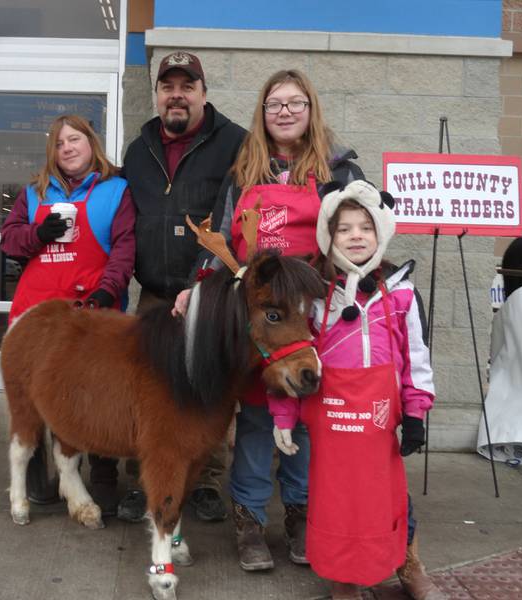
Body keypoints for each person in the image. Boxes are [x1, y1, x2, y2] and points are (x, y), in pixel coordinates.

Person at [191, 69, 364, 572]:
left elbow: (359, 239)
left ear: (311, 110)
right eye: (274, 104)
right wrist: (192, 290)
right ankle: (248, 523)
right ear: (261, 115)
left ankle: (300, 516)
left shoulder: (340, 172)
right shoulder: (244, 172)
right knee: (255, 421)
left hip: (313, 315)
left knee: (305, 423)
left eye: (294, 103)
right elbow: (220, 238)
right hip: (258, 317)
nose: (284, 111)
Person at [87, 50, 247, 523]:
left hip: (213, 292)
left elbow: (230, 219)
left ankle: (206, 481)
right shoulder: (139, 150)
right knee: (149, 392)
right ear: (157, 94)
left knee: (210, 389)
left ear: (203, 93)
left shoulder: (235, 143)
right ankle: (147, 479)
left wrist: (202, 279)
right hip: (155, 293)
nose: (176, 95)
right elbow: (119, 213)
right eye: (167, 87)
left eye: (187, 86)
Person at [270, 179, 442, 600]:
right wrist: (284, 417)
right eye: (345, 228)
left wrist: (417, 414)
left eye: (366, 227)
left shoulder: (400, 295)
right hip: (331, 427)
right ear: (330, 237)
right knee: (335, 506)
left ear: (381, 231)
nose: (356, 236)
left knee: (390, 501)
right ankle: (343, 579)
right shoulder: (312, 299)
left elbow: (416, 359)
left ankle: (407, 563)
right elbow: (289, 359)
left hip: (379, 425)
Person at [0, 114, 135, 506]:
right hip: (36, 314)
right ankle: (40, 480)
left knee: (95, 399)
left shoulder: (116, 191)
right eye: (59, 144)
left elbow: (124, 250)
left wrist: (105, 295)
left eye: (74, 139)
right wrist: (37, 234)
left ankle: (100, 479)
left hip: (91, 314)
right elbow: (9, 241)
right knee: (36, 399)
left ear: (91, 142)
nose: (67, 149)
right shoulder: (35, 192)